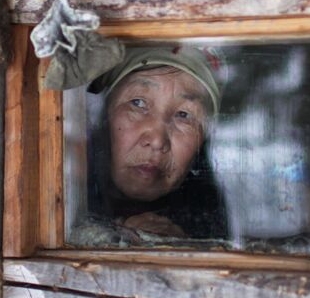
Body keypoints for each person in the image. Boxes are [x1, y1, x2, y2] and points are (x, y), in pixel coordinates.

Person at [86, 44, 230, 240]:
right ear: (104, 117)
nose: (157, 140)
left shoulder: (212, 234)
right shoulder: (64, 210)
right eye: (138, 103)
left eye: (183, 115)